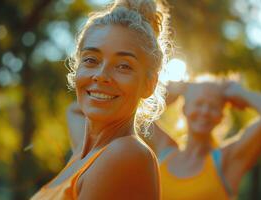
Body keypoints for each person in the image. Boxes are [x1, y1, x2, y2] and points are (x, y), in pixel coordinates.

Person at [31, 0, 174, 199]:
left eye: (123, 66)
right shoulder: (85, 152)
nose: (101, 75)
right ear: (77, 68)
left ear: (149, 84)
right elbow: (74, 111)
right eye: (91, 60)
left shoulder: (125, 153)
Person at [146, 80, 261, 200]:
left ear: (221, 116)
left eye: (213, 106)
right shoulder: (166, 152)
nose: (205, 111)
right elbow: (139, 114)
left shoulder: (226, 160)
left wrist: (241, 93)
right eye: (199, 103)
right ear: (184, 109)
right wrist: (167, 94)